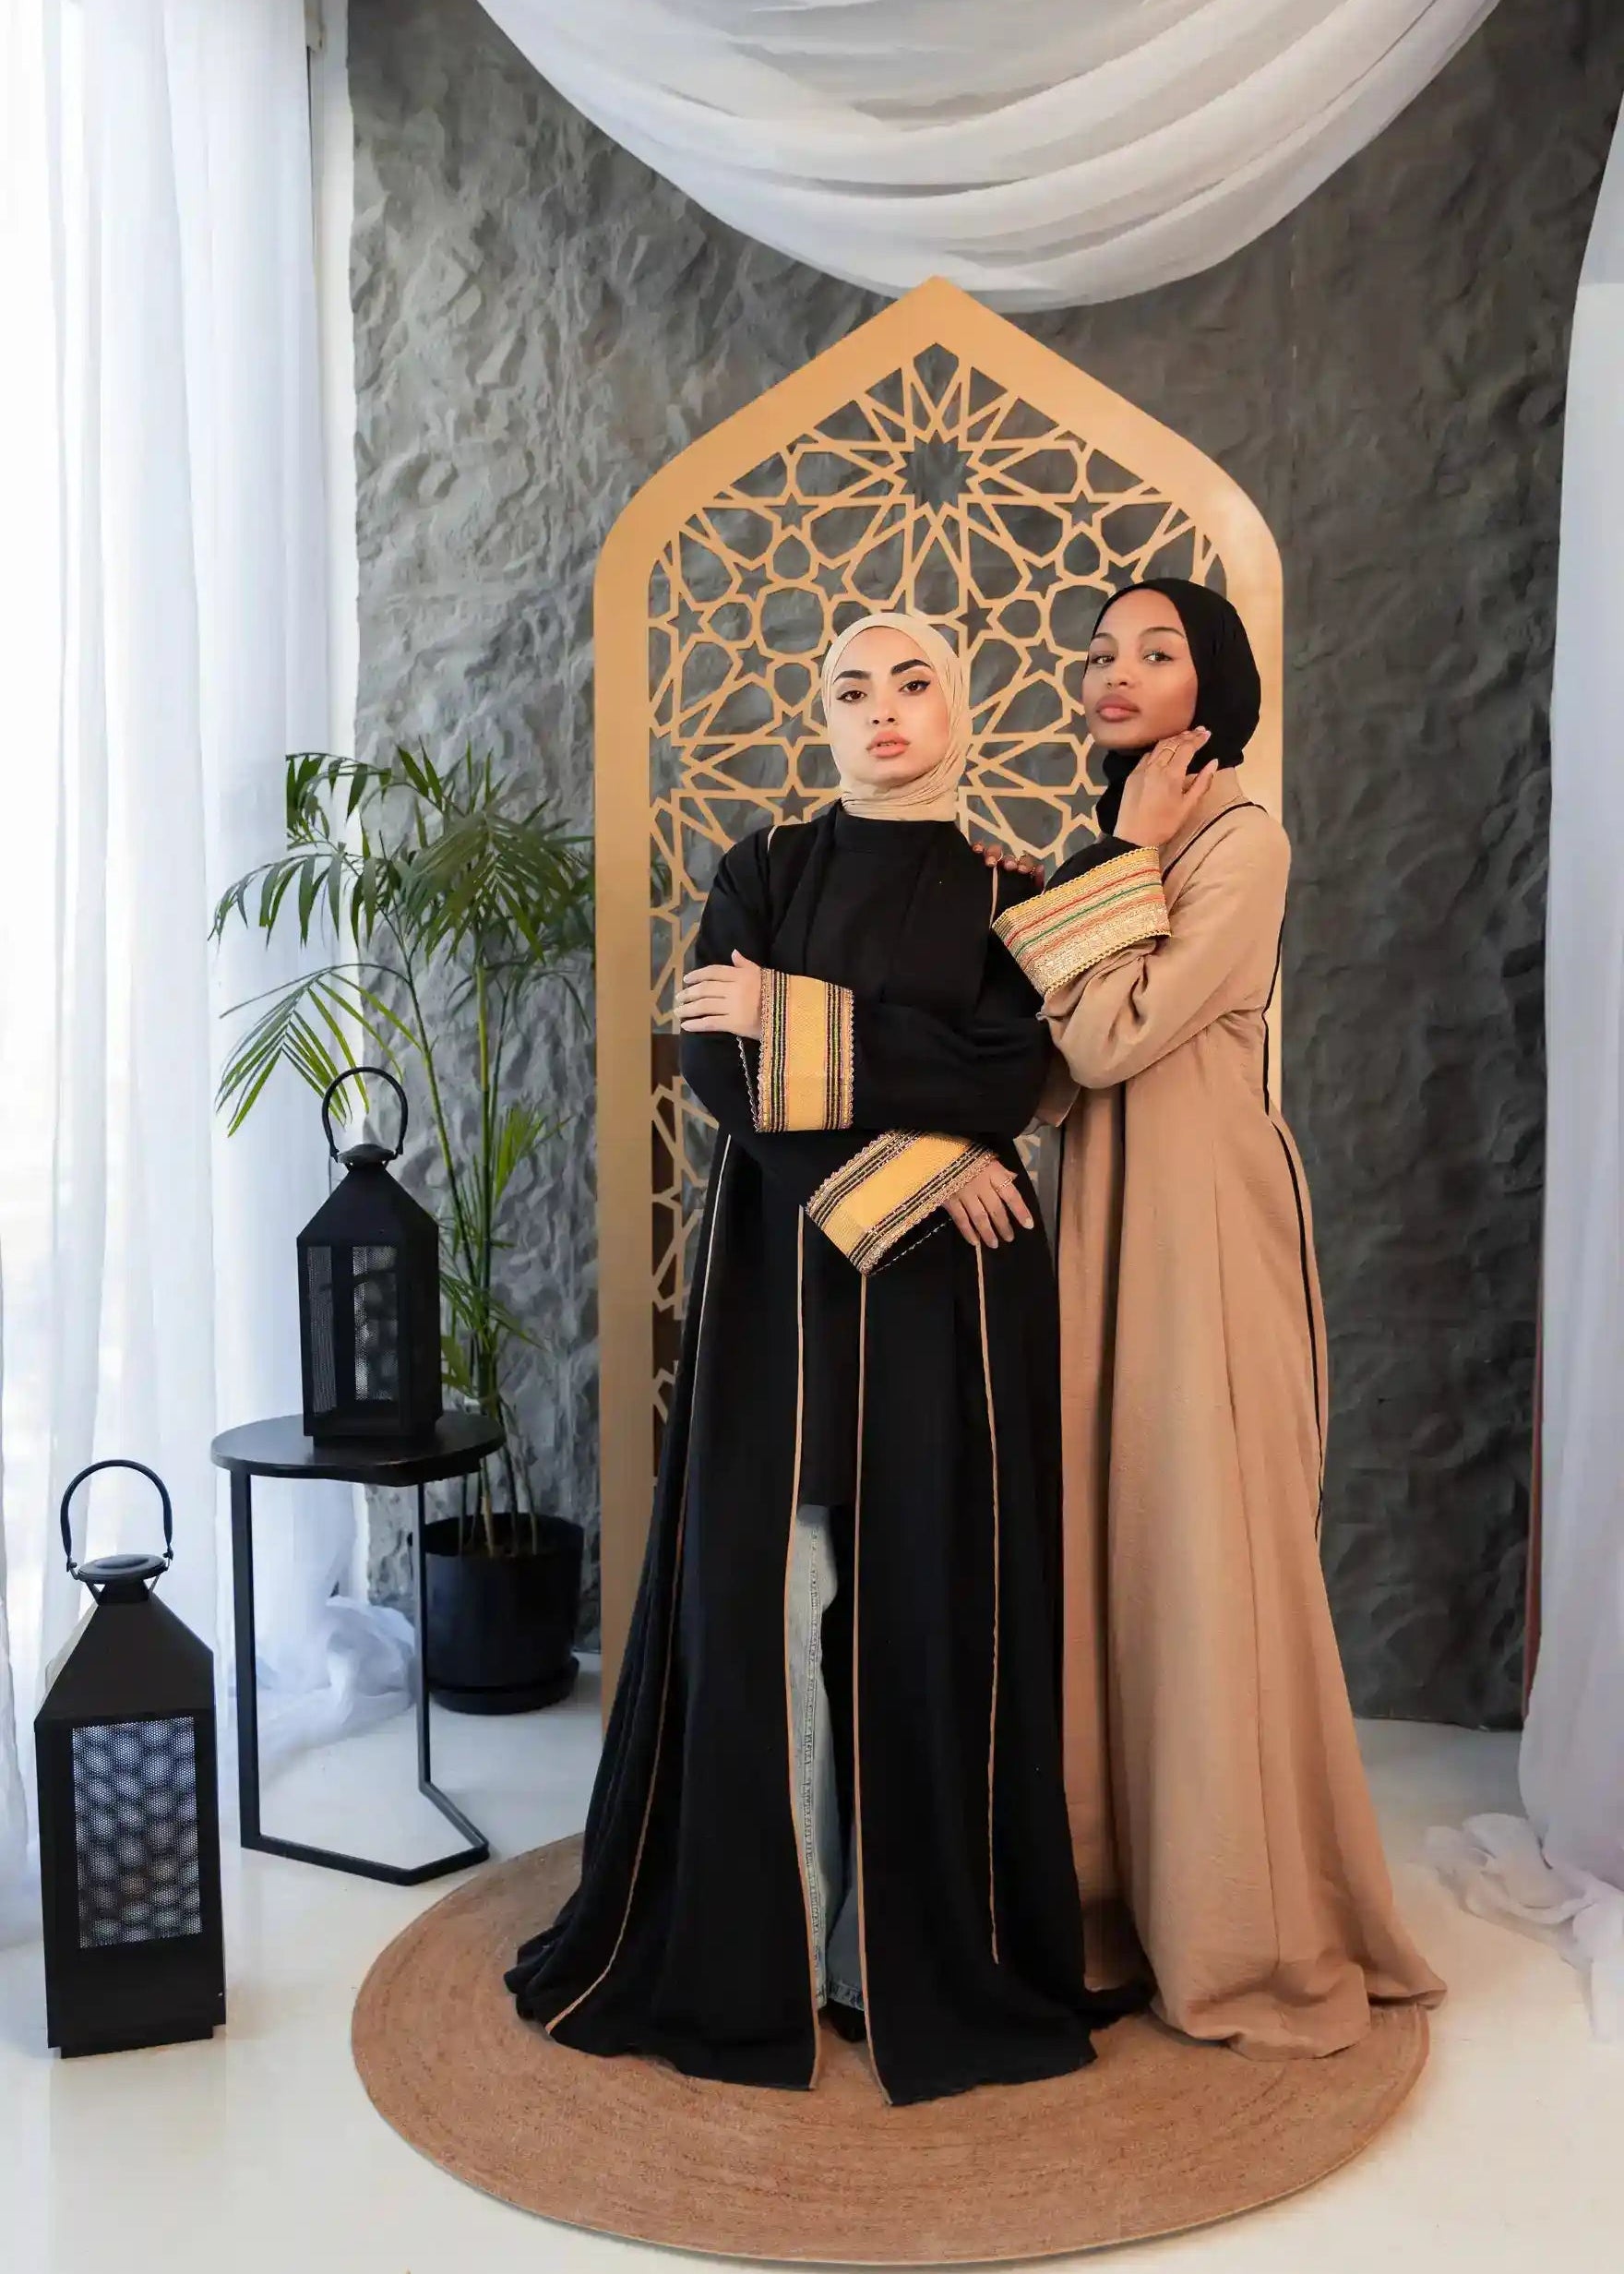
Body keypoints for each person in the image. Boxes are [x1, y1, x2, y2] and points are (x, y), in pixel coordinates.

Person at [508, 609, 1133, 2106]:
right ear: (827, 716)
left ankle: (887, 1961)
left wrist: (801, 1016)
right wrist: (915, 1164)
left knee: (931, 1609)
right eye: (852, 690)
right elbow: (720, 1072)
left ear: (960, 707)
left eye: (913, 683)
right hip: (788, 1285)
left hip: (956, 1306)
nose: (883, 710)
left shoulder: (1011, 889)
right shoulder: (767, 870)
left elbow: (1014, 1071)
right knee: (775, 1612)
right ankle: (767, 1955)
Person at [991, 578, 1445, 2057]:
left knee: (1203, 1550)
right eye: (1100, 654)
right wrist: (1065, 891)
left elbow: (1109, 1034)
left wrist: (1099, 878)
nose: (1115, 673)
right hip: (1108, 1222)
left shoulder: (1241, 837)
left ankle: (1237, 1925)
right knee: (1117, 1543)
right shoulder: (1139, 834)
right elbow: (1043, 1073)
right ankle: (1113, 1904)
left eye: (1157, 651)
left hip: (1202, 1231)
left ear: (1216, 684)